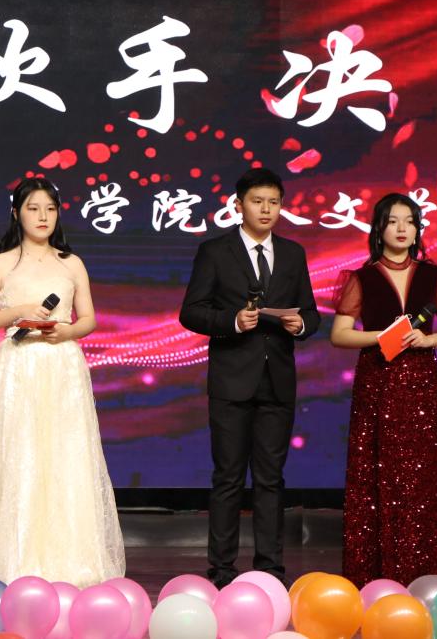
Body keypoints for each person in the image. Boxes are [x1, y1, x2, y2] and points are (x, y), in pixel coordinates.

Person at [0, 176, 125, 587]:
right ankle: (18, 561)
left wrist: (68, 332)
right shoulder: (2, 263)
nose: (43, 216)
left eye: (50, 209)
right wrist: (19, 311)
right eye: (33, 208)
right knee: (21, 457)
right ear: (16, 213)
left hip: (63, 365)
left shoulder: (71, 262)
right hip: (20, 365)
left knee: (66, 456)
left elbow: (89, 319)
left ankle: (73, 562)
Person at [179, 167, 320, 588]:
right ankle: (222, 571)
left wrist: (301, 324)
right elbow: (191, 312)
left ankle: (270, 570)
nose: (266, 209)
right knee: (227, 477)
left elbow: (311, 312)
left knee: (271, 480)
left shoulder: (292, 253)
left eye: (273, 202)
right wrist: (233, 321)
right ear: (238, 205)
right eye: (258, 201)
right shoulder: (215, 251)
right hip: (231, 381)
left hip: (278, 381)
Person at [330, 192, 437, 586]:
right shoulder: (362, 278)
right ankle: (376, 577)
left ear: (418, 229)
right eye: (393, 221)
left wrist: (429, 339)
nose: (402, 229)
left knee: (425, 477)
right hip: (378, 383)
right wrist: (380, 336)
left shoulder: (433, 275)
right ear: (379, 229)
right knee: (377, 475)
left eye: (409, 221)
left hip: (422, 384)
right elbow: (340, 334)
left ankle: (427, 574)